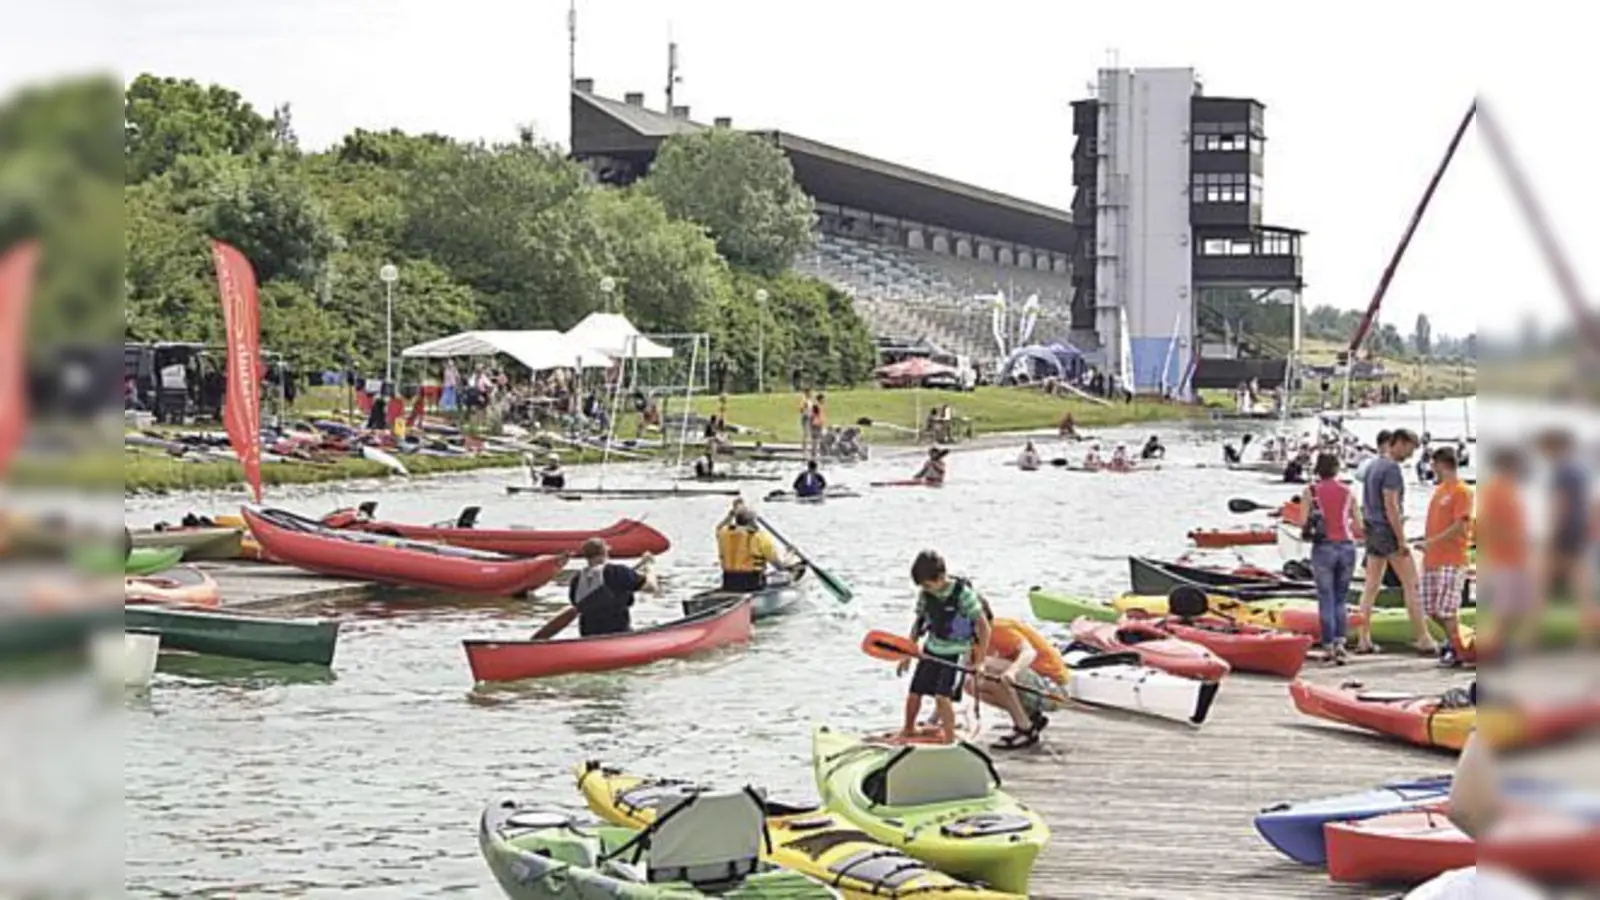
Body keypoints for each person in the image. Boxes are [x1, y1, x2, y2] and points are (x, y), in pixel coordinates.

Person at [1355, 428, 1436, 655]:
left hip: (1372, 529)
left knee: (1371, 587)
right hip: (1387, 531)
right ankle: (1423, 637)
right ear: (1399, 443)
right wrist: (1402, 540)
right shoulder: (1391, 469)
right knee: (1412, 584)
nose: (1411, 455)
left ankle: (1363, 637)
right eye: (1410, 448)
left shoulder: (1373, 466)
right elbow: (1391, 505)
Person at [898, 550, 991, 745]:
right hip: (931, 650)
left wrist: (980, 662)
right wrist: (907, 654)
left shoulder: (963, 594)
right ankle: (908, 729)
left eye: (928, 585)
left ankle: (948, 741)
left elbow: (984, 627)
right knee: (915, 691)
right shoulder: (925, 594)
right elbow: (919, 623)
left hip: (956, 654)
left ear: (940, 577)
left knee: (942, 696)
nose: (926, 589)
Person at [1416, 446, 1474, 667]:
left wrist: (1431, 542)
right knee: (1431, 608)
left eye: (1433, 464)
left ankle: (1460, 650)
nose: (1432, 468)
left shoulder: (1462, 491)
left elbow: (1461, 526)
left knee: (1447, 609)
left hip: (1452, 558)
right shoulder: (1439, 491)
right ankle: (1458, 642)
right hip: (1433, 558)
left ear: (1441, 463)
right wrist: (1425, 541)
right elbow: (1437, 524)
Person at [1303, 452, 1363, 664]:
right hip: (1347, 546)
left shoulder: (1311, 491)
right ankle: (1340, 643)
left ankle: (1328, 645)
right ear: (1337, 469)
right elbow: (1357, 524)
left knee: (1325, 597)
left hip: (1323, 547)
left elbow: (1303, 521)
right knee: (1340, 598)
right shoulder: (1348, 492)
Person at [1476, 447, 1533, 656]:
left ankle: (1507, 645)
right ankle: (1495, 647)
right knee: (1505, 607)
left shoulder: (1510, 489)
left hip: (1516, 556)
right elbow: (1490, 524)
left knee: (1519, 606)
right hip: (1504, 557)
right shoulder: (1495, 491)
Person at [979, 613, 1064, 749]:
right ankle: (1029, 717)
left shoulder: (999, 628)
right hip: (1029, 685)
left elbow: (1029, 653)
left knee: (988, 665)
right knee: (971, 682)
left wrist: (1011, 672)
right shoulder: (968, 638)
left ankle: (1025, 729)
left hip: (1053, 688)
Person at [1538, 428, 1592, 635]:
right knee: (1579, 583)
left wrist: (1552, 533)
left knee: (1542, 578)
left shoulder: (1560, 471)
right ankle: (1589, 629)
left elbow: (1560, 503)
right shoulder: (1579, 470)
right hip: (1578, 529)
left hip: (1564, 530)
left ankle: (1534, 631)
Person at [568, 538, 658, 637]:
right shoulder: (617, 571)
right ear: (605, 553)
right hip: (618, 634)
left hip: (588, 636)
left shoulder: (577, 580)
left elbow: (578, 604)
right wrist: (650, 567)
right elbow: (651, 587)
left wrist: (640, 564)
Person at [716, 499, 785, 591]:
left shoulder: (724, 534)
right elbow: (776, 563)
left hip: (729, 582)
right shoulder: (760, 537)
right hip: (752, 583)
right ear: (752, 520)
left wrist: (731, 514)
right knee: (781, 576)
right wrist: (786, 566)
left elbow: (719, 527)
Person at [797, 391, 814, 455]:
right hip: (806, 418)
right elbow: (801, 409)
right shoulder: (804, 401)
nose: (811, 394)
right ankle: (804, 449)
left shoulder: (809, 401)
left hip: (809, 418)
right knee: (806, 434)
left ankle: (807, 448)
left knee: (808, 434)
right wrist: (805, 412)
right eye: (810, 393)